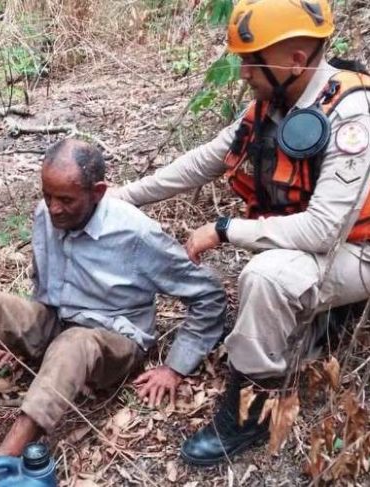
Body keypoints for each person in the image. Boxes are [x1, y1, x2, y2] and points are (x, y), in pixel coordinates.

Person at [0, 138, 226, 486]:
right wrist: (16, 340)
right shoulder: (47, 215)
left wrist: (175, 366)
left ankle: (2, 464)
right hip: (58, 321)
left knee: (73, 343)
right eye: (47, 196)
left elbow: (207, 295)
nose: (53, 208)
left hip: (112, 340)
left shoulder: (136, 234)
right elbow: (45, 288)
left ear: (98, 193)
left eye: (65, 199)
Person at [113, 0, 370, 465]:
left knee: (265, 276)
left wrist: (225, 229)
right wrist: (124, 196)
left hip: (358, 247)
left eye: (252, 60)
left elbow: (325, 230)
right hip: (321, 245)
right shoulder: (276, 102)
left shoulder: (350, 115)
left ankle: (252, 411)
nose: (242, 72)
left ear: (294, 61)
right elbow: (204, 160)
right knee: (272, 273)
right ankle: (320, 323)